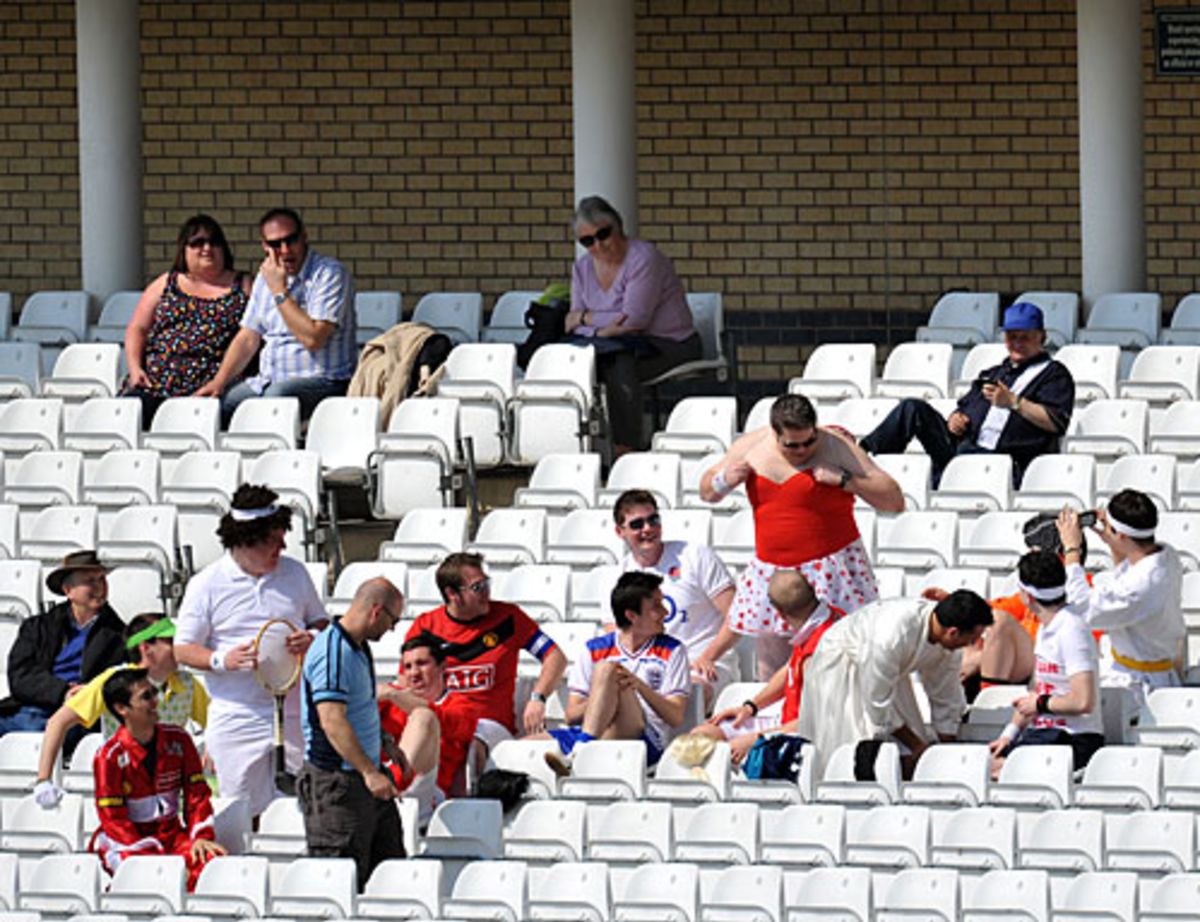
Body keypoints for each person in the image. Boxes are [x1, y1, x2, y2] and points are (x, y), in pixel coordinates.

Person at [700, 394, 902, 677]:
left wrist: (846, 481)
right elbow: (707, 491)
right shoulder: (750, 447)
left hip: (830, 568)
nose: (802, 450)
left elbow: (894, 500)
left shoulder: (835, 445)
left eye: (809, 442)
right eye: (792, 445)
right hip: (773, 569)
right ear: (775, 432)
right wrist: (725, 480)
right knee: (772, 668)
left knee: (838, 665)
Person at [174, 484, 328, 818]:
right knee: (237, 806)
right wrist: (221, 660)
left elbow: (321, 621)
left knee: (312, 798)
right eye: (273, 540)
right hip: (237, 712)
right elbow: (182, 649)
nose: (283, 546)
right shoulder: (206, 583)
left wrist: (311, 637)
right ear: (245, 540)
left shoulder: (295, 572)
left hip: (296, 708)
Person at [860, 302, 1075, 487]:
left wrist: (1013, 402)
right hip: (965, 447)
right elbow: (966, 407)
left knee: (963, 457)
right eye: (1011, 337)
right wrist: (956, 418)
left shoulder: (1054, 374)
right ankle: (865, 457)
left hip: (1005, 460)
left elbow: (1056, 422)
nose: (1017, 344)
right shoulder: (994, 373)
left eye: (1025, 338)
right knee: (912, 408)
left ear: (1042, 337)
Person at [797, 589, 993, 777]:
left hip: (890, 673)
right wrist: (917, 746)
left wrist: (946, 754)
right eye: (971, 640)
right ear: (953, 632)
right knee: (853, 750)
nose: (971, 646)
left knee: (910, 748)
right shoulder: (891, 636)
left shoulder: (950, 646)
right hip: (840, 665)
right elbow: (877, 704)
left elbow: (945, 695)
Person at [564, 195, 702, 453]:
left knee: (618, 361)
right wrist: (599, 325)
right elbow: (573, 320)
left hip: (672, 343)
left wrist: (587, 319)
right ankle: (577, 448)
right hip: (614, 344)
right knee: (586, 363)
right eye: (587, 241)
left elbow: (635, 320)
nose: (598, 245)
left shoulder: (644, 258)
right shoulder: (582, 268)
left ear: (619, 228)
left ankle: (626, 448)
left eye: (604, 234)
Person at [196, 207, 357, 422]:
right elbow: (247, 337)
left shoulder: (329, 273)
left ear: (304, 237)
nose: (285, 250)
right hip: (268, 380)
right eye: (275, 244)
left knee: (275, 400)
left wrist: (279, 291)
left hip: (324, 380)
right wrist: (219, 382)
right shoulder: (266, 277)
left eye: (291, 240)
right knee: (217, 407)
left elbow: (313, 338)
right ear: (264, 246)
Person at [33, 613, 209, 808]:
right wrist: (44, 780)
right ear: (146, 647)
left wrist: (213, 744)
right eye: (170, 640)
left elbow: (215, 722)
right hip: (122, 789)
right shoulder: (115, 681)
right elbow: (58, 721)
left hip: (169, 788)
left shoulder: (187, 683)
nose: (179, 646)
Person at [299, 578, 406, 890]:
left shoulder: (356, 648)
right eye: (393, 620)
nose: (392, 629)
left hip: (364, 781)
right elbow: (332, 720)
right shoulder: (333, 651)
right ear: (376, 611)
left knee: (389, 878)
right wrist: (370, 772)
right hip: (338, 784)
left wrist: (384, 741)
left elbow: (360, 706)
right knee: (340, 885)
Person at [404, 552, 566, 749]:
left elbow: (555, 656)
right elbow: (406, 681)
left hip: (490, 727)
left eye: (486, 584)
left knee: (469, 744)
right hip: (443, 720)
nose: (486, 592)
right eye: (477, 587)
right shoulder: (426, 627)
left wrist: (538, 697)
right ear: (452, 594)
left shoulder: (508, 619)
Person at [90, 669, 226, 891]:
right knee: (144, 875)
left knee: (210, 862)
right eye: (146, 697)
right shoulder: (109, 756)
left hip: (173, 837)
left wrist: (201, 836)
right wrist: (151, 853)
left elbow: (197, 795)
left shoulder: (180, 740)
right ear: (121, 709)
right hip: (126, 842)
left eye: (154, 693)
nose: (156, 701)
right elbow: (113, 820)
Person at [693, 569, 844, 764]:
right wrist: (750, 707)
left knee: (715, 756)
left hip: (800, 738)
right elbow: (790, 670)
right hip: (785, 722)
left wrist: (755, 739)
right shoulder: (821, 621)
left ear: (779, 613)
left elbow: (817, 722)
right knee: (701, 737)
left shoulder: (821, 652)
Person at [546, 572, 691, 771]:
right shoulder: (594, 649)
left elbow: (675, 717)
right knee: (524, 747)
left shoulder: (673, 650)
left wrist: (637, 685)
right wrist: (606, 694)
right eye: (656, 606)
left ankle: (580, 751)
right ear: (631, 615)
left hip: (646, 741)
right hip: (596, 730)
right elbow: (572, 715)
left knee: (608, 669)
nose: (666, 613)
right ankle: (583, 747)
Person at [612, 489, 739, 707]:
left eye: (653, 520)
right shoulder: (618, 576)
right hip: (651, 667)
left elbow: (738, 616)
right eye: (637, 524)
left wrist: (708, 656)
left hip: (704, 664)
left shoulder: (694, 556)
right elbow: (620, 636)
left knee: (684, 692)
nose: (648, 529)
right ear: (619, 531)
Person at [121, 213, 251, 425]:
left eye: (214, 241)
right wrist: (135, 370)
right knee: (126, 419)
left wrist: (221, 380)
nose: (207, 248)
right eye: (197, 242)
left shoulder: (244, 285)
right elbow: (138, 328)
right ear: (184, 249)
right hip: (155, 383)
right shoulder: (167, 282)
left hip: (210, 385)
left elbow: (256, 333)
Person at [1058, 489, 1185, 704]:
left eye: (1108, 525)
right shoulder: (1166, 555)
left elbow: (1083, 609)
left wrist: (1072, 549)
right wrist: (1113, 541)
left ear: (1123, 535)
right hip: (1136, 668)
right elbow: (1124, 575)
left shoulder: (1141, 585)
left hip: (1138, 685)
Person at [988, 551, 1103, 778]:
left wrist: (1040, 704)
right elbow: (1037, 693)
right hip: (1046, 733)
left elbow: (1084, 701)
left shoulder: (1071, 630)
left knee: (997, 772)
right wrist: (1008, 734)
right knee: (983, 765)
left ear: (1027, 596)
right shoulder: (1046, 627)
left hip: (1074, 738)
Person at [0, 551, 125, 738]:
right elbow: (20, 675)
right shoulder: (38, 627)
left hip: (80, 716)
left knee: (37, 729)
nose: (100, 586)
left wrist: (81, 696)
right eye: (91, 581)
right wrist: (62, 691)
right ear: (68, 590)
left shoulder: (119, 635)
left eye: (102, 579)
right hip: (34, 707)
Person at [378, 632, 480, 800]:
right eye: (408, 667)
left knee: (423, 717)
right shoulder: (390, 698)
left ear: (442, 666)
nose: (414, 673)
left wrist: (396, 696)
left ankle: (390, 784)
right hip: (376, 782)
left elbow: (442, 720)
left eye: (422, 664)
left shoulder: (462, 705)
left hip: (426, 792)